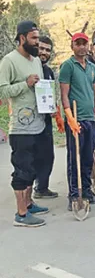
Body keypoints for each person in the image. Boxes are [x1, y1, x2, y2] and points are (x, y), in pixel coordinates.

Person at [0, 20, 49, 227]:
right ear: (22, 38)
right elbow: (2, 91)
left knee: (34, 166)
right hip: (21, 127)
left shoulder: (36, 60)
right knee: (22, 169)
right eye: (34, 38)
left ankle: (29, 203)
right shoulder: (9, 61)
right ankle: (21, 214)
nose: (37, 42)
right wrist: (25, 84)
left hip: (38, 123)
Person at [59, 32, 95, 211]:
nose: (82, 47)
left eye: (84, 43)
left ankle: (86, 192)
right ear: (72, 46)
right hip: (76, 119)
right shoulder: (68, 66)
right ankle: (73, 195)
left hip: (90, 119)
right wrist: (69, 117)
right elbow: (64, 94)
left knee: (87, 158)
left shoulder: (92, 67)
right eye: (78, 44)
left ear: (88, 46)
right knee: (74, 158)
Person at [33, 35, 65, 199]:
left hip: (45, 121)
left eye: (47, 50)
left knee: (47, 155)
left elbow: (51, 94)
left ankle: (42, 188)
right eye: (41, 48)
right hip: (30, 121)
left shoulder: (48, 71)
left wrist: (56, 112)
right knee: (31, 158)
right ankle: (26, 193)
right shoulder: (28, 67)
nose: (44, 52)